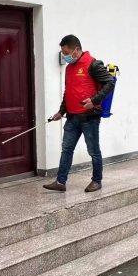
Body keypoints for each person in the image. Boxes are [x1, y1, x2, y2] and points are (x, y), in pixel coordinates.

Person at [43, 34, 115, 193]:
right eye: (63, 53)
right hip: (72, 117)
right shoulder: (69, 68)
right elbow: (68, 92)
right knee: (66, 149)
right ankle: (60, 182)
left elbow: (109, 83)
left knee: (93, 151)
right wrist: (61, 111)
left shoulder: (93, 64)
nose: (64, 56)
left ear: (76, 50)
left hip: (90, 118)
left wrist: (94, 101)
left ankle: (96, 181)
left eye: (66, 53)